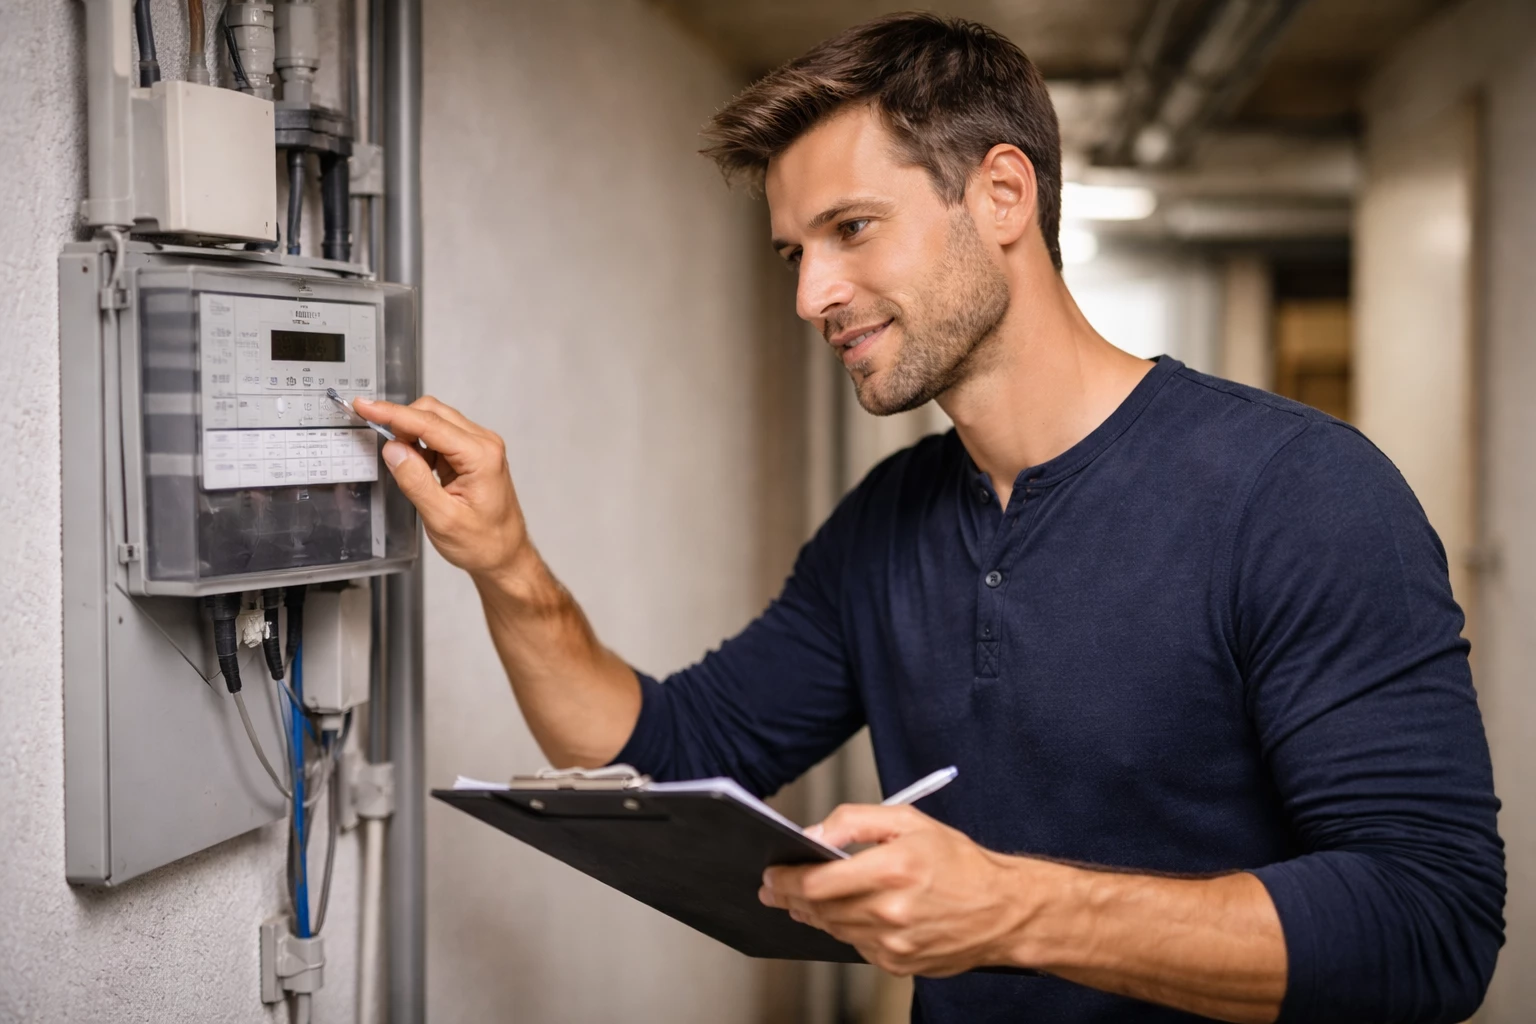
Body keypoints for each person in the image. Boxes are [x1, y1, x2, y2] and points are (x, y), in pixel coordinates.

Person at [354, 13, 1504, 1024]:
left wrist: (1014, 909)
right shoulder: (887, 523)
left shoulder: (1299, 492)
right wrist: (504, 563)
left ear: (1003, 195)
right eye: (796, 253)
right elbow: (665, 756)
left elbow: (1431, 924)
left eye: (852, 229)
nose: (811, 295)